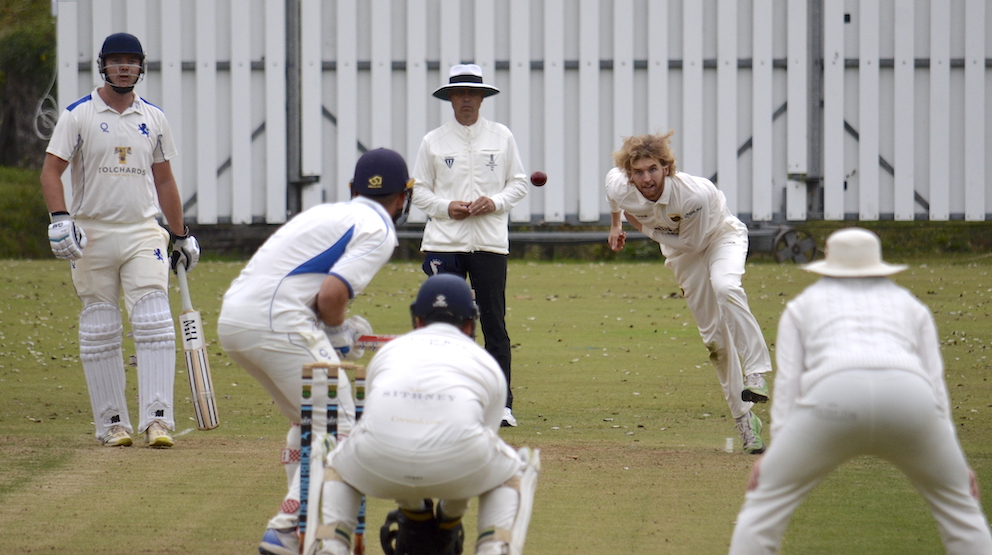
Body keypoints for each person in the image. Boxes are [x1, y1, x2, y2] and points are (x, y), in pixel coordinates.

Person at [728, 228, 992, 554]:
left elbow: (787, 388)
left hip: (832, 399)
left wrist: (774, 458)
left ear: (827, 260)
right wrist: (954, 460)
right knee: (963, 513)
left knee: (761, 512)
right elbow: (935, 385)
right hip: (910, 398)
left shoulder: (803, 305)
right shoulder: (911, 305)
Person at [217, 148, 414, 555]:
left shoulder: (327, 212)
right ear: (402, 198)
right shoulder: (380, 229)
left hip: (235, 318)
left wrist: (333, 329)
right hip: (279, 321)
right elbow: (331, 295)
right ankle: (290, 526)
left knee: (307, 418)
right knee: (343, 425)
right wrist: (340, 330)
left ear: (352, 188)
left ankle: (303, 523)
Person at [39, 32, 199, 448]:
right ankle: (113, 423)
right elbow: (50, 171)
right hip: (92, 232)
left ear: (141, 67)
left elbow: (164, 180)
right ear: (103, 66)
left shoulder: (154, 117)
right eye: (116, 61)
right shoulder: (78, 115)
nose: (124, 67)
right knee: (100, 326)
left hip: (142, 231)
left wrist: (180, 235)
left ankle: (158, 419)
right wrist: (60, 219)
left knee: (154, 321)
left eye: (131, 61)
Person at [313, 273, 540, 555]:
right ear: (470, 325)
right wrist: (450, 516)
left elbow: (384, 423)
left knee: (338, 459)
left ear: (417, 320)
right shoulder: (487, 363)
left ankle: (333, 544)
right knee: (517, 467)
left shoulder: (389, 352)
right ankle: (493, 548)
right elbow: (479, 442)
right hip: (461, 464)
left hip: (376, 464)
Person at [606, 132, 772, 454]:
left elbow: (693, 243)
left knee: (726, 286)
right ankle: (745, 421)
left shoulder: (693, 195)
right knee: (714, 341)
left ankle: (757, 371)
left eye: (652, 169)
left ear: (666, 167)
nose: (646, 179)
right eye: (638, 172)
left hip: (719, 237)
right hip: (682, 254)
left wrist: (644, 229)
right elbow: (614, 198)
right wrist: (616, 225)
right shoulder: (620, 184)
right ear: (629, 173)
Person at [411, 64, 529, 427]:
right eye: (459, 93)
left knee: (494, 323)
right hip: (444, 243)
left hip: (490, 244)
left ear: (481, 97)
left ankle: (501, 406)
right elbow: (418, 191)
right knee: (442, 324)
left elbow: (519, 184)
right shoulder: (433, 141)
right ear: (450, 98)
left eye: (472, 93)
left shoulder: (501, 136)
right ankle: (442, 403)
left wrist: (493, 202)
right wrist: (447, 208)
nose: (466, 99)